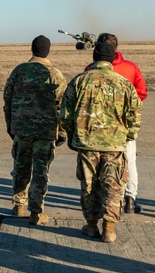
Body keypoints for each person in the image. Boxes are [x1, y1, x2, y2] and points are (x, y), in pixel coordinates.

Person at [59, 42, 142, 243]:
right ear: (113, 58)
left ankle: (91, 225)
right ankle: (109, 229)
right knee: (113, 186)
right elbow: (135, 117)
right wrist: (127, 137)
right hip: (114, 146)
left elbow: (66, 115)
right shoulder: (124, 84)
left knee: (89, 186)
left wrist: (73, 137)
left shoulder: (79, 82)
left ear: (94, 57)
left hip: (87, 145)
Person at [3, 35, 67, 225]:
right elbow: (63, 105)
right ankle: (36, 212)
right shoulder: (55, 74)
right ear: (48, 51)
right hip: (45, 131)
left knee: (21, 167)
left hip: (22, 129)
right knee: (40, 170)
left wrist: (11, 126)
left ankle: (19, 205)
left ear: (32, 49)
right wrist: (61, 131)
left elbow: (7, 99)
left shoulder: (19, 71)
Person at [83, 33, 148, 214]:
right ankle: (130, 199)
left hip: (95, 127)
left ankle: (99, 201)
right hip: (123, 126)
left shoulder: (90, 69)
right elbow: (141, 93)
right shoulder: (131, 68)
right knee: (129, 162)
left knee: (97, 167)